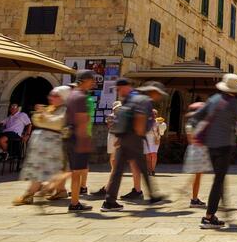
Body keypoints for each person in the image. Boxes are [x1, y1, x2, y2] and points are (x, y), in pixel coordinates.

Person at [101, 80, 168, 212]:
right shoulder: (144, 101)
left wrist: (121, 139)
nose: (159, 96)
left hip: (124, 137)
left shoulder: (131, 98)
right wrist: (138, 135)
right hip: (134, 137)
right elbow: (140, 117)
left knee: (118, 170)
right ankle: (153, 195)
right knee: (142, 166)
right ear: (153, 92)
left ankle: (109, 201)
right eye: (158, 93)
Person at [189, 74, 237, 228]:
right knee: (218, 179)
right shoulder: (234, 103)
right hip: (225, 145)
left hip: (210, 145)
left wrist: (195, 134)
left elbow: (195, 118)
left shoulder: (212, 99)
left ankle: (223, 208)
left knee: (219, 177)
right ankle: (209, 216)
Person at [13, 86, 70, 205]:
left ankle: (29, 195)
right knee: (51, 169)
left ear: (62, 97)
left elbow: (58, 123)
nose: (51, 98)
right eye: (51, 95)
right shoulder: (51, 108)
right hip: (43, 144)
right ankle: (60, 190)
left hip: (51, 144)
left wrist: (44, 116)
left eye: (55, 96)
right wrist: (44, 116)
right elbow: (36, 119)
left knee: (42, 170)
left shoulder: (64, 110)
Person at [91, 79, 143, 200]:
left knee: (125, 164)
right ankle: (112, 191)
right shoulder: (129, 103)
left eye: (119, 89)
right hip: (124, 137)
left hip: (127, 138)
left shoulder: (132, 102)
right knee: (117, 163)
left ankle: (113, 192)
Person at [65, 71, 95, 212]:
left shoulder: (72, 95)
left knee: (75, 171)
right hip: (78, 137)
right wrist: (84, 141)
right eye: (91, 80)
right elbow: (82, 119)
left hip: (70, 135)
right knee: (77, 172)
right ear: (84, 80)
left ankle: (74, 201)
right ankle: (74, 202)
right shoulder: (81, 97)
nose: (93, 83)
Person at [144, 111, 166, 176]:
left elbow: (161, 133)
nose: (154, 115)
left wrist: (161, 126)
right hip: (147, 139)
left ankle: (153, 170)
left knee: (154, 154)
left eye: (155, 114)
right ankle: (149, 170)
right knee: (148, 155)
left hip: (155, 140)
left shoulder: (159, 122)